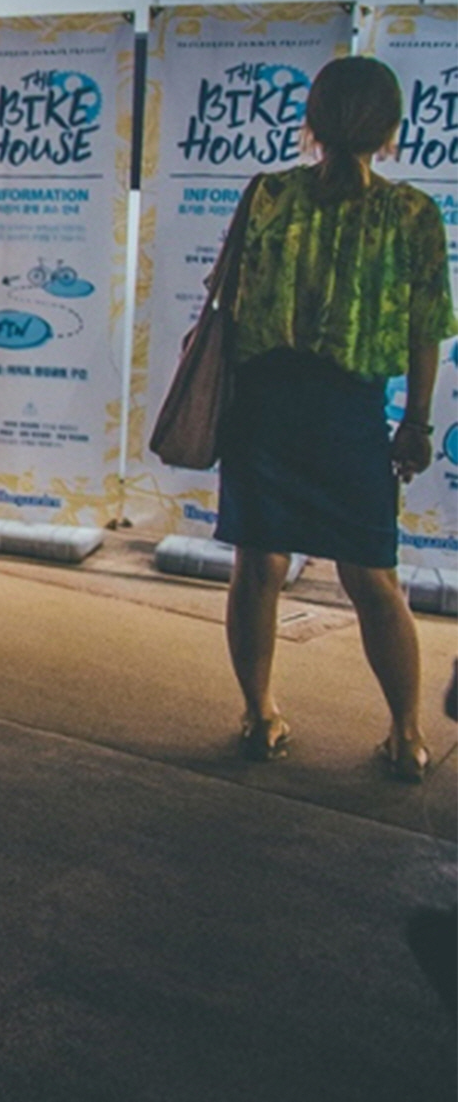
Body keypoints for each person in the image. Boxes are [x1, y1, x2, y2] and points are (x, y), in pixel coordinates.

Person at [216, 56, 455, 780]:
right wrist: (416, 422)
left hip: (264, 403)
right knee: (373, 576)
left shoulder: (268, 194)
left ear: (311, 123)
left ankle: (260, 717)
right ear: (390, 130)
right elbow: (426, 329)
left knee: (259, 566)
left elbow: (229, 295)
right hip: (350, 410)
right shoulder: (412, 214)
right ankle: (406, 735)